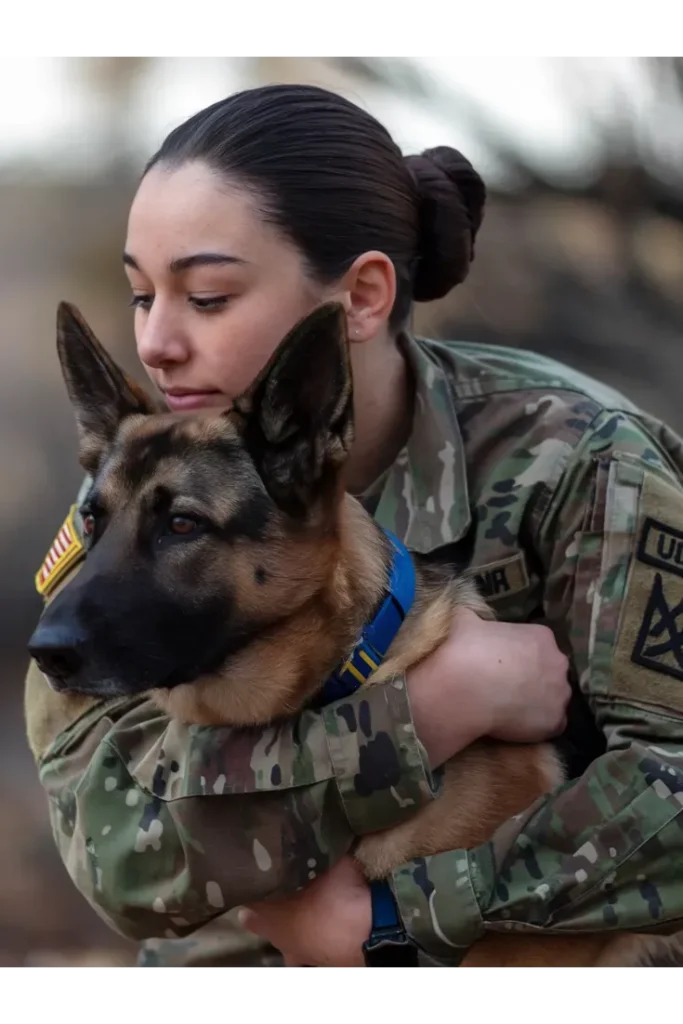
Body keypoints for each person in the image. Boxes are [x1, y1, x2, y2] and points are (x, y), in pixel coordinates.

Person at [24, 82, 683, 970]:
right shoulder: (130, 508)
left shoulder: (580, 465)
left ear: (362, 298)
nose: (156, 343)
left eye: (208, 296)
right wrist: (431, 712)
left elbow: (672, 794)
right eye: (142, 297)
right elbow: (124, 862)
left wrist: (392, 919)